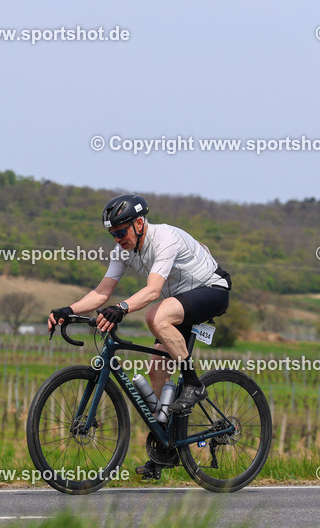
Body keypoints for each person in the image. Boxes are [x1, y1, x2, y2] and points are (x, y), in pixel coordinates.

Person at [47, 194, 231, 476]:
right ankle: (164, 449)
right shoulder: (122, 251)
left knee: (154, 316)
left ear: (140, 223)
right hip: (180, 302)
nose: (118, 238)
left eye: (122, 231)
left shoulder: (165, 238)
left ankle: (193, 383)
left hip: (212, 290)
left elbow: (153, 291)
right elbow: (101, 292)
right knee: (156, 372)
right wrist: (66, 309)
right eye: (113, 233)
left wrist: (121, 309)